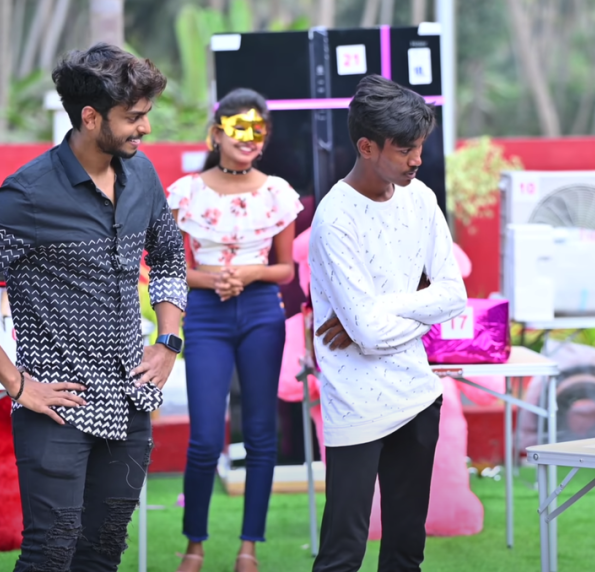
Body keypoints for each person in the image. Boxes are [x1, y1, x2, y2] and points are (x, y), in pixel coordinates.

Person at [0, 43, 185, 571]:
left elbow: (169, 259)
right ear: (90, 117)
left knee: (103, 550)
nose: (145, 128)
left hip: (130, 399)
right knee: (51, 552)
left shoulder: (143, 176)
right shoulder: (28, 194)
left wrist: (167, 341)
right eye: (133, 117)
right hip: (55, 408)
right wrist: (17, 383)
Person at [307, 74, 467, 571]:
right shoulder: (335, 218)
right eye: (405, 149)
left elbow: (454, 295)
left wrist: (380, 308)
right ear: (367, 146)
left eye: (420, 146)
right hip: (355, 400)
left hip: (418, 395)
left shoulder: (421, 199)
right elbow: (371, 336)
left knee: (406, 551)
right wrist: (419, 306)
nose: (417, 159)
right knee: (342, 553)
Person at [168, 88, 302, 572]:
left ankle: (249, 548)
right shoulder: (186, 192)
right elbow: (170, 268)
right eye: (239, 128)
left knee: (262, 434)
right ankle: (194, 546)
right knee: (205, 437)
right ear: (217, 132)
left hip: (261, 311)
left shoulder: (278, 193)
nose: (249, 138)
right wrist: (213, 281)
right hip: (206, 314)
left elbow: (286, 269)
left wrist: (249, 273)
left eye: (258, 130)